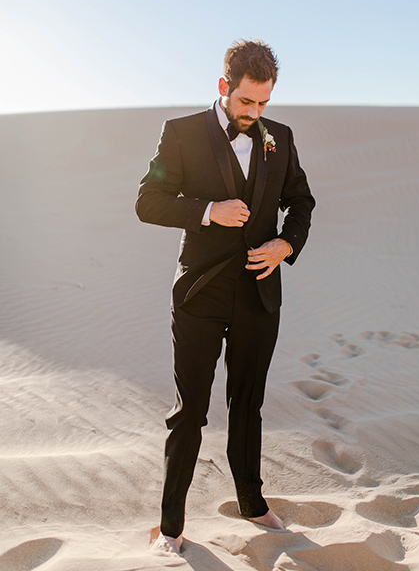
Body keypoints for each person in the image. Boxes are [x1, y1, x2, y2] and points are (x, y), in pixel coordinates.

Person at [135, 38, 315, 555]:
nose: (255, 114)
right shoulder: (182, 133)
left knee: (249, 402)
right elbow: (148, 201)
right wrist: (208, 209)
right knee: (189, 410)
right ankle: (171, 526)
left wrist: (286, 243)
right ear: (223, 88)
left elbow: (301, 201)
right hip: (199, 294)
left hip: (260, 294)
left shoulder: (279, 137)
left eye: (263, 103)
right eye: (245, 103)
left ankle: (252, 503)